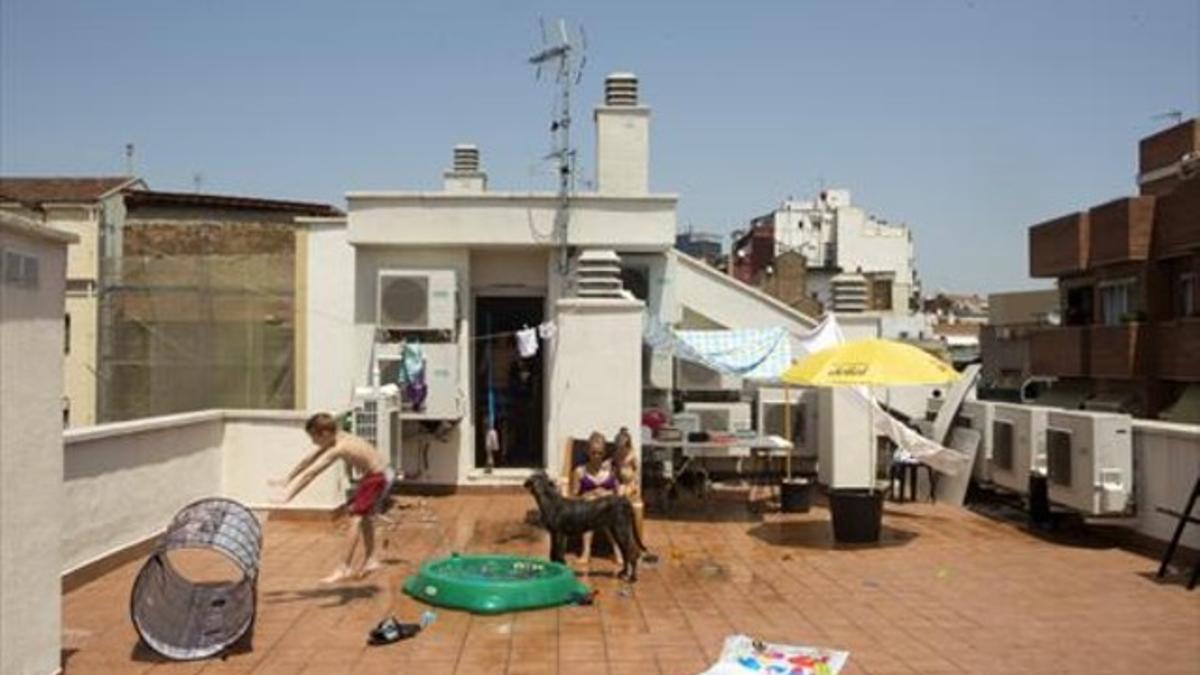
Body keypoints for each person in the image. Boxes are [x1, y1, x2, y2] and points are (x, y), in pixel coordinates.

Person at [271, 412, 394, 583]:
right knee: (363, 517)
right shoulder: (339, 436)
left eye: (314, 438)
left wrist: (288, 497)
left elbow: (311, 474)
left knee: (356, 518)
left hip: (377, 477)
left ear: (325, 434)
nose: (313, 442)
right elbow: (310, 459)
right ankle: (371, 559)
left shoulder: (341, 447)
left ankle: (344, 567)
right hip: (377, 475)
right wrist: (287, 479)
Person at [570, 431, 618, 566]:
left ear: (605, 452)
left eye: (600, 453)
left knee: (606, 512)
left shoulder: (610, 471)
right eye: (593, 452)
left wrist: (606, 493)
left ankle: (616, 550)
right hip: (587, 509)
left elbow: (618, 494)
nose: (597, 456)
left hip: (607, 508)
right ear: (587, 451)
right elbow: (573, 496)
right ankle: (587, 551)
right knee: (591, 510)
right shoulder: (580, 471)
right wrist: (586, 495)